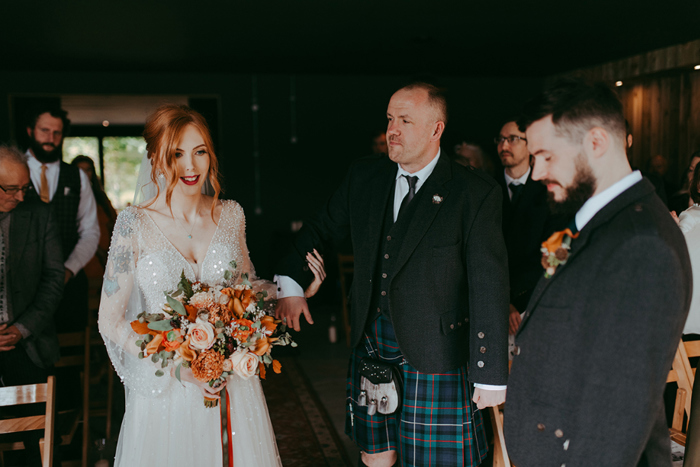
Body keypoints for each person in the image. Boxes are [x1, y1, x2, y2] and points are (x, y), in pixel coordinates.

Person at [275, 82, 509, 467]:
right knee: (375, 457)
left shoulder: (473, 193)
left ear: (436, 129)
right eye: (389, 119)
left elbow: (489, 284)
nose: (392, 130)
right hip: (373, 343)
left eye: (404, 120)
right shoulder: (365, 177)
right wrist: (291, 284)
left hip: (437, 355)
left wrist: (489, 373)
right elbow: (320, 228)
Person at [98, 104, 326, 467]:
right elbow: (109, 320)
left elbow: (248, 289)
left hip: (230, 380)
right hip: (166, 390)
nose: (191, 166)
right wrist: (178, 366)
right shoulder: (133, 224)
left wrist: (295, 291)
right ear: (155, 157)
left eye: (200, 151)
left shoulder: (231, 214)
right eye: (177, 154)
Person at [504, 80, 692, 466]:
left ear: (596, 142)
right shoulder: (596, 221)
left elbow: (620, 410)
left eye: (546, 156)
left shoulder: (643, 245)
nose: (536, 172)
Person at [0, 145, 64, 466]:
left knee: (38, 450)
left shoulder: (40, 214)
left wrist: (21, 329)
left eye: (25, 188)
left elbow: (54, 279)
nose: (21, 197)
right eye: (11, 190)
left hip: (29, 346)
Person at [24, 107, 100, 333]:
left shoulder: (76, 177)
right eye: (44, 130)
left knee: (71, 349)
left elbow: (90, 231)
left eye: (56, 133)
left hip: (69, 282)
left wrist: (68, 269)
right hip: (23, 285)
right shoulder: (11, 170)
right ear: (30, 131)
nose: (50, 138)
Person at [494, 120, 563, 335]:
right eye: (501, 139)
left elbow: (553, 252)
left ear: (530, 145)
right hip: (492, 299)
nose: (504, 146)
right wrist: (502, 300)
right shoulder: (485, 189)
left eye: (513, 139)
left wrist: (515, 299)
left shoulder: (550, 192)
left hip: (535, 298)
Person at [71, 155, 118, 297]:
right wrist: (98, 252)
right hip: (85, 258)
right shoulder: (70, 197)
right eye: (80, 170)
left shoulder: (101, 198)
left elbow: (115, 224)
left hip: (108, 259)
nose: (84, 174)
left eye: (88, 170)